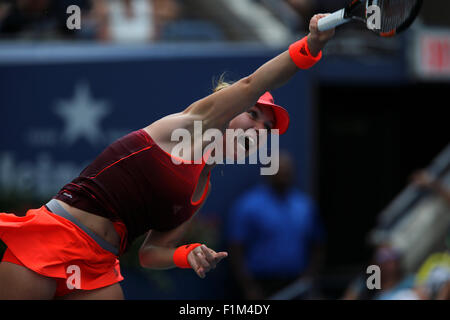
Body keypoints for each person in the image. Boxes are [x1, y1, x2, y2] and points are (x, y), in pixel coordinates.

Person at [0, 14, 335, 300]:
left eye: (267, 127)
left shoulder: (199, 192)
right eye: (253, 114)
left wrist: (185, 254)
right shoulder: (193, 125)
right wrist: (310, 47)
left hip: (98, 264)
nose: (259, 128)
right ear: (228, 107)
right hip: (56, 234)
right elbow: (251, 84)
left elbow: (148, 254)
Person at [227, 151, 325, 300]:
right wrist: (248, 286)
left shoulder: (304, 205)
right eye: (279, 169)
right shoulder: (249, 205)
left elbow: (318, 244)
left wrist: (309, 277)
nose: (284, 173)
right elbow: (235, 248)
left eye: (288, 170)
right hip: (261, 283)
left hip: (296, 283)